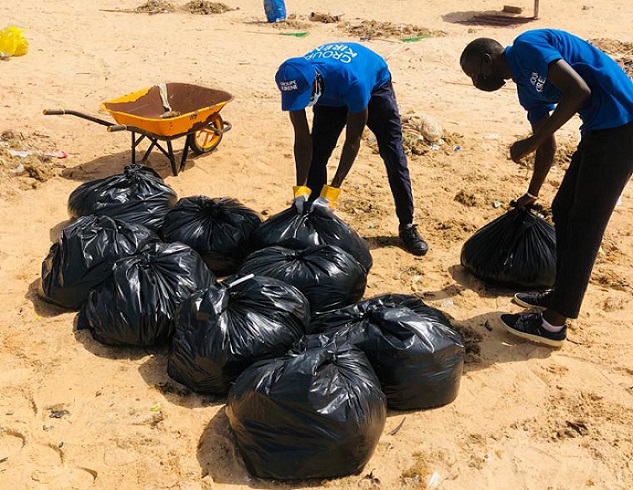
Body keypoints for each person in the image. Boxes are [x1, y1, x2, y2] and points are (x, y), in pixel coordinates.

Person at [460, 29, 633, 347]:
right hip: (599, 129)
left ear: (487, 62)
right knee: (563, 208)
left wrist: (531, 141)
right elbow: (547, 144)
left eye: (473, 74)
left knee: (585, 225)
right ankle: (558, 293)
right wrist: (533, 191)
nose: (475, 83)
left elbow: (579, 90)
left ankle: (553, 325)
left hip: (623, 124)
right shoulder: (527, 92)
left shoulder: (527, 45)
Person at [274, 42, 429, 256]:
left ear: (316, 81)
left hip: (373, 88)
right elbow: (302, 140)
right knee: (317, 154)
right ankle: (315, 221)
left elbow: (353, 141)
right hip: (330, 96)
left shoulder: (352, 82)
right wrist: (300, 188)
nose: (304, 103)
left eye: (306, 97)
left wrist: (333, 191)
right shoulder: (296, 81)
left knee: (393, 154)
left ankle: (407, 225)